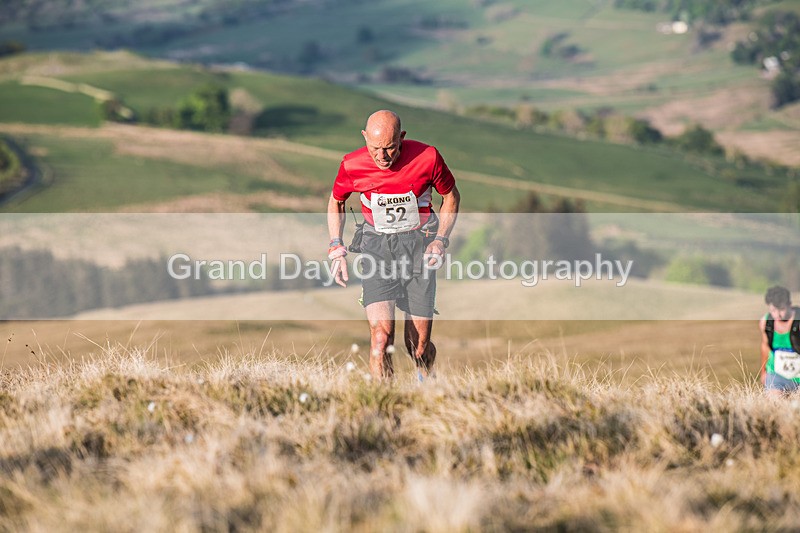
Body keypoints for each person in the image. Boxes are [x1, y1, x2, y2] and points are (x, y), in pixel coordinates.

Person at [327, 110, 460, 381]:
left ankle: (426, 381)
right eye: (375, 148)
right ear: (364, 137)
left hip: (419, 249)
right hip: (377, 249)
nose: (382, 157)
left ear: (402, 138)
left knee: (418, 346)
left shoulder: (428, 158)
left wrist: (440, 240)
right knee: (380, 339)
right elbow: (336, 201)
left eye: (390, 148)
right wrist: (336, 247)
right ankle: (383, 403)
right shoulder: (352, 165)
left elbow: (451, 197)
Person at [759, 285, 800, 395]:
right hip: (777, 376)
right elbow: (765, 347)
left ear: (789, 305)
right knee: (774, 402)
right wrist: (763, 373)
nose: (777, 315)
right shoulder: (766, 323)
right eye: (773, 310)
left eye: (781, 309)